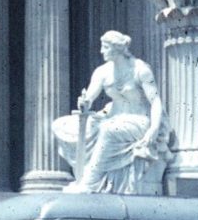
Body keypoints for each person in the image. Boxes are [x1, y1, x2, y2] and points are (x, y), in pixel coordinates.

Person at [52, 30, 168, 195]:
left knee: (108, 130)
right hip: (111, 117)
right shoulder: (102, 72)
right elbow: (89, 98)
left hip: (138, 121)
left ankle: (90, 182)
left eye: (105, 47)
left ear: (118, 48)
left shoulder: (140, 69)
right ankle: (82, 175)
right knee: (61, 125)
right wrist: (84, 103)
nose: (101, 51)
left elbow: (155, 101)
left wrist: (154, 130)